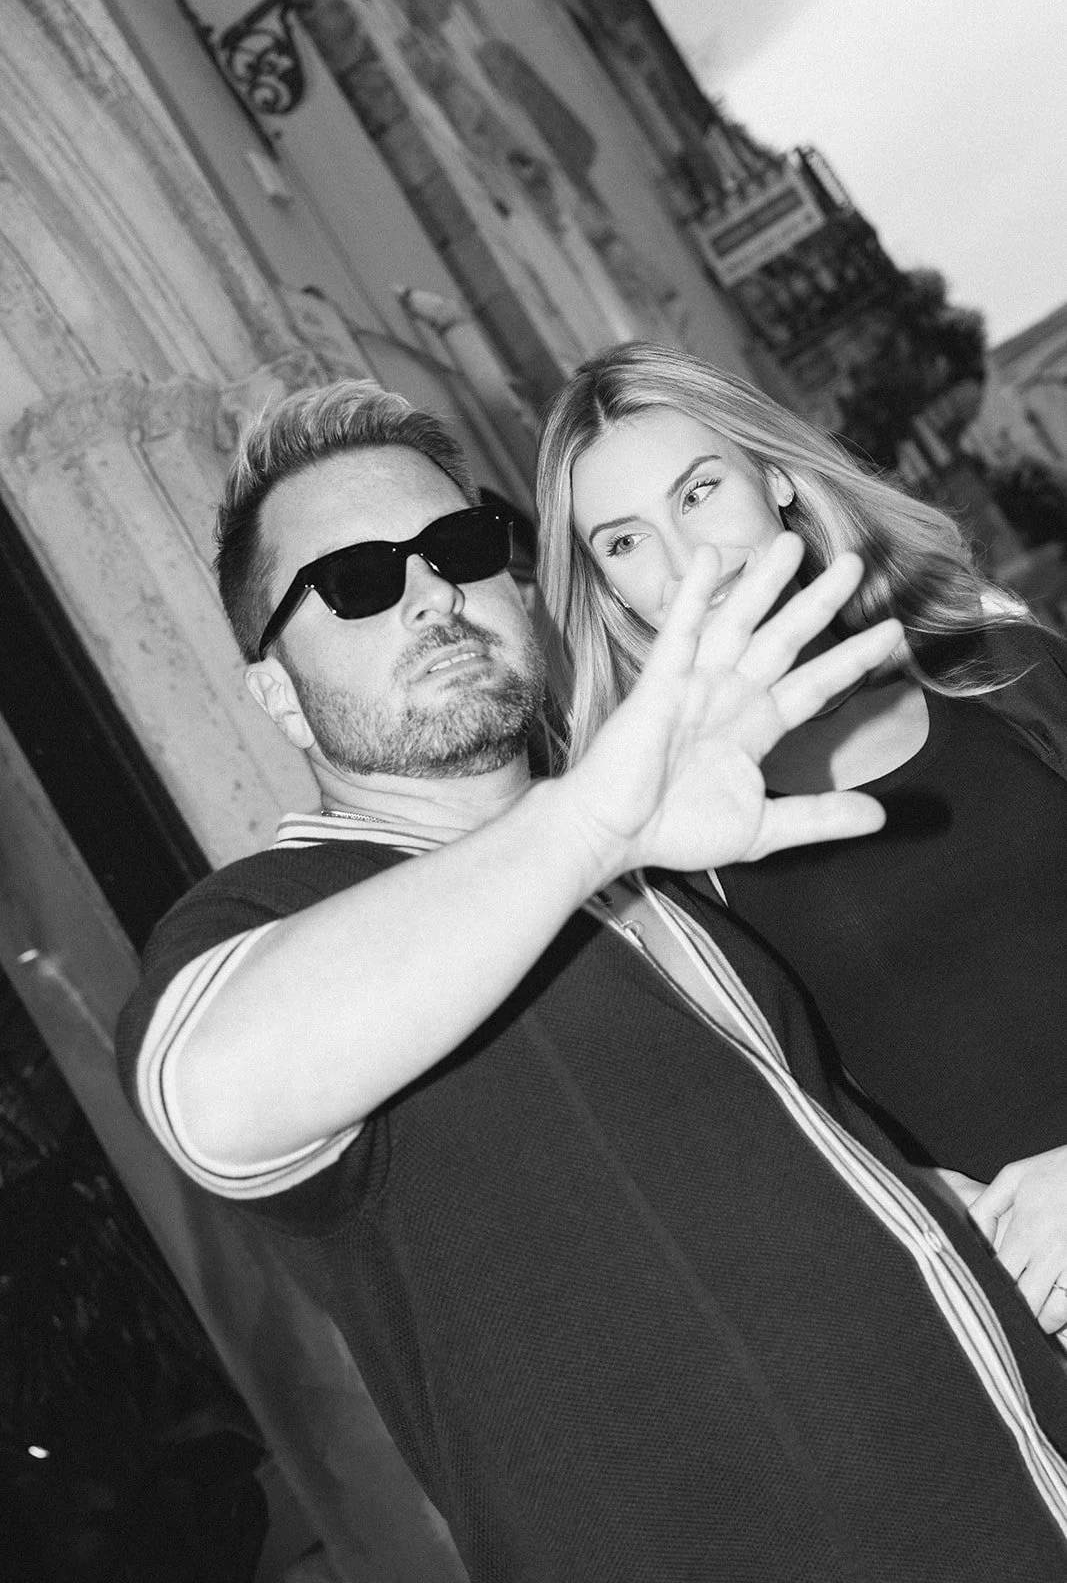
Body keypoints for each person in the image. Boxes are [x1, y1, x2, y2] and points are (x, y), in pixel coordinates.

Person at [117, 378, 1067, 1583]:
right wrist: (587, 826)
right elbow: (213, 1098)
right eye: (356, 582)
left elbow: (839, 1198)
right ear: (271, 688)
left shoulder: (661, 885)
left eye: (458, 547)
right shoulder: (284, 914)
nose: (430, 594)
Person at [536, 338, 1067, 1340]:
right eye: (621, 542)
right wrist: (942, 1209)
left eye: (697, 494)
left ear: (772, 477)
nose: (684, 560)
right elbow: (760, 1157)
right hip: (1024, 1335)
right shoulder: (663, 868)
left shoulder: (1007, 673)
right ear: (607, 593)